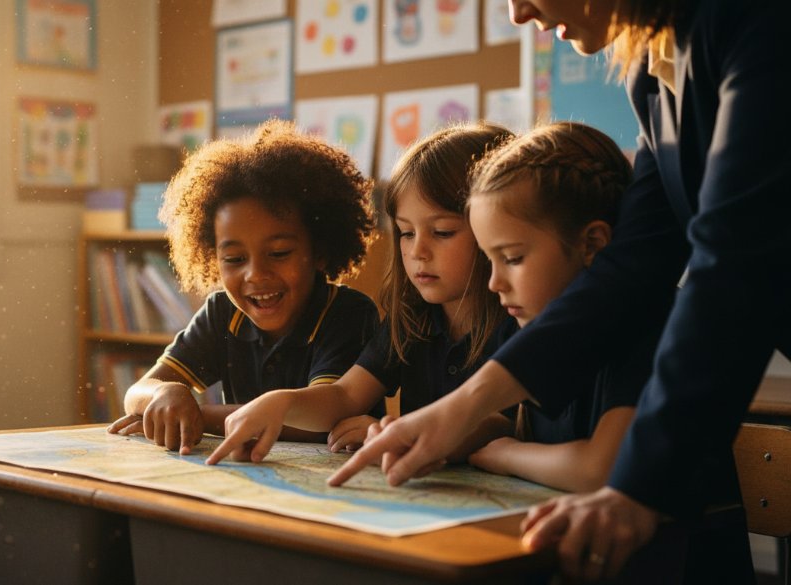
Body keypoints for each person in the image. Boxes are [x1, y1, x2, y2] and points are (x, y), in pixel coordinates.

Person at [329, 0, 789, 581]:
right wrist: (460, 410)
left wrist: (635, 488)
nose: (519, 13)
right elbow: (631, 266)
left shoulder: (756, 23)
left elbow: (732, 265)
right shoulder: (652, 72)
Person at [205, 122, 516, 466]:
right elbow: (345, 395)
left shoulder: (520, 321)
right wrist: (281, 402)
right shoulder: (411, 321)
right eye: (406, 232)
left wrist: (400, 431)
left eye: (442, 232)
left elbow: (500, 425)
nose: (417, 252)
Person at [107, 119, 379, 455]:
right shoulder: (222, 313)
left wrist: (197, 416)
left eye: (279, 253)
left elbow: (320, 419)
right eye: (234, 259)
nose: (255, 274)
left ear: (320, 250)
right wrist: (165, 396)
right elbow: (137, 391)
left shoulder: (346, 314)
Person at [465, 121, 658, 494]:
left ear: (592, 244)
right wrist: (441, 436)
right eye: (490, 259)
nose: (494, 283)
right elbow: (500, 421)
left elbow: (598, 471)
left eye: (513, 257)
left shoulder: (648, 323)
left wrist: (506, 455)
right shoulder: (520, 322)